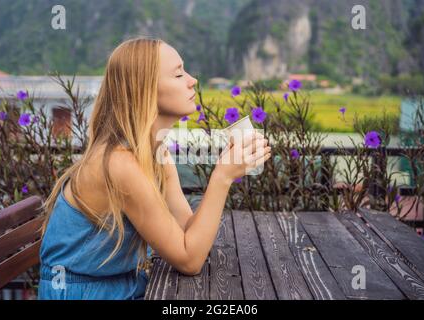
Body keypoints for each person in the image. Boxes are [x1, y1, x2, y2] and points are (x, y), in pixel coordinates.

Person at [38, 36, 271, 300]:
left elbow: (188, 233)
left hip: (122, 285)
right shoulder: (119, 164)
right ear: (145, 89)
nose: (192, 80)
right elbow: (189, 260)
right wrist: (222, 177)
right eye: (179, 74)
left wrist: (226, 170)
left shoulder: (153, 153)